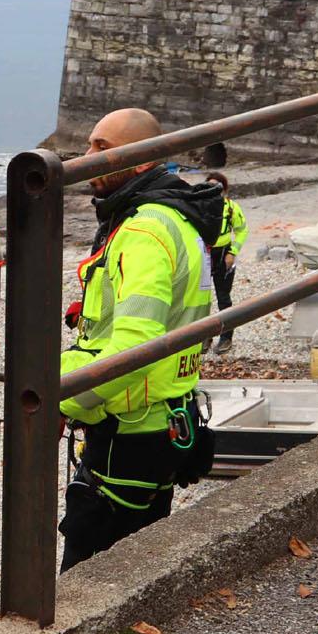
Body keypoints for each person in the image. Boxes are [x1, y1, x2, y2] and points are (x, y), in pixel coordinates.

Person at [59, 108, 223, 573]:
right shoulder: (178, 217)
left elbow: (133, 346)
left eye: (101, 149)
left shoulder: (144, 231)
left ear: (140, 158)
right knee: (139, 562)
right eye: (90, 145)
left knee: (84, 577)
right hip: (168, 418)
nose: (86, 158)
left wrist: (59, 402)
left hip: (129, 428)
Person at [205, 171, 247, 353]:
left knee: (223, 298)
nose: (213, 191)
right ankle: (203, 336)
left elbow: (242, 231)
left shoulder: (231, 208)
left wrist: (233, 252)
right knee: (202, 300)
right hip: (205, 255)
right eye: (209, 187)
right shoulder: (200, 206)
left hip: (224, 255)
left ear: (224, 189)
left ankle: (226, 337)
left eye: (217, 187)